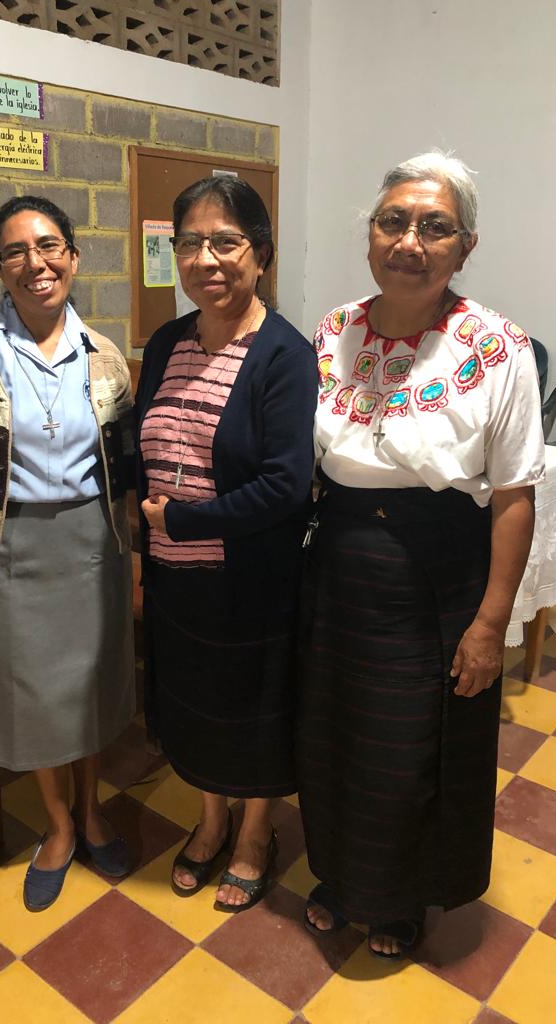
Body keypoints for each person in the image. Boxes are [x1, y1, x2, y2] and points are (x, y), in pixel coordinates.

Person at [297, 152, 545, 957]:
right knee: (335, 732)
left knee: (410, 747)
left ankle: (400, 898)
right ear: (370, 235)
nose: (410, 241)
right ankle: (340, 874)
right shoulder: (334, 329)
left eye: (435, 227)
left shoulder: (497, 347)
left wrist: (491, 624)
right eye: (393, 222)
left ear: (465, 247)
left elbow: (514, 496)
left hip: (436, 576)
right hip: (340, 566)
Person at [0, 196, 136, 911]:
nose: (35, 263)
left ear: (72, 256)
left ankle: (92, 809)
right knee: (31, 691)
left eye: (49, 246)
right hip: (9, 546)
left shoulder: (104, 355)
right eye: (15, 251)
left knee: (90, 684)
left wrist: (134, 552)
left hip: (92, 544)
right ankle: (57, 823)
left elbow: (124, 469)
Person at [135, 176, 317, 912]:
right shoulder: (166, 343)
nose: (205, 258)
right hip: (175, 578)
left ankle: (255, 834)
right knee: (197, 704)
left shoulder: (284, 355)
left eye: (225, 242)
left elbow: (286, 486)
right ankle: (211, 821)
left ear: (261, 254)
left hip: (252, 581)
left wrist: (180, 522)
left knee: (253, 707)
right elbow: (143, 446)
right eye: (189, 243)